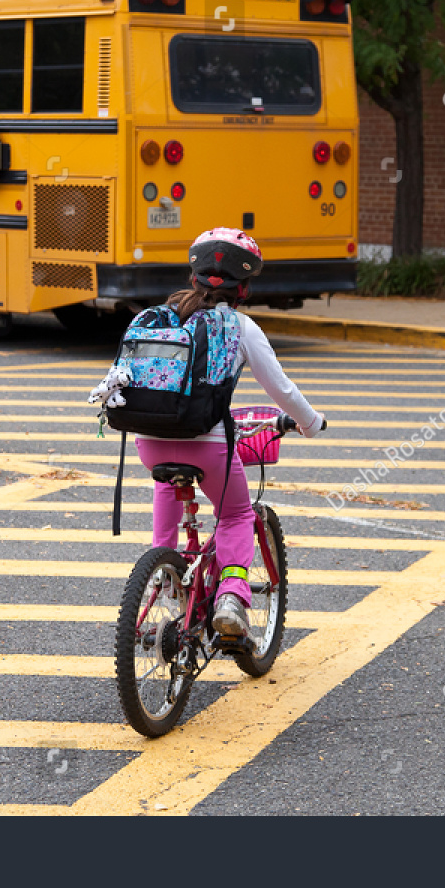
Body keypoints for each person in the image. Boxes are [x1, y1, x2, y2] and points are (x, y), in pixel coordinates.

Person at [134, 227, 324, 639]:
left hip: (148, 440)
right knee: (236, 513)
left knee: (167, 485)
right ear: (245, 288)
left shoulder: (163, 315)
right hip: (209, 444)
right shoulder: (240, 326)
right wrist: (310, 423)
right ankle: (233, 596)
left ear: (194, 276)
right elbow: (282, 390)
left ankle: (162, 570)